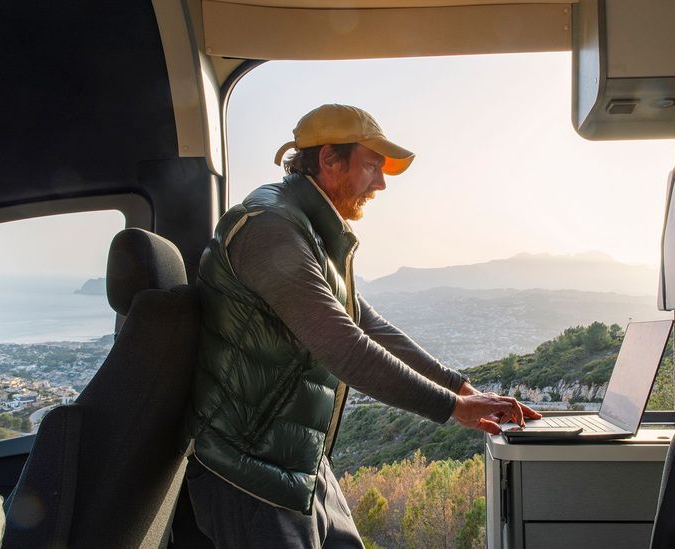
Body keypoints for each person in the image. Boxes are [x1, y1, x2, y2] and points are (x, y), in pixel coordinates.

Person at [182, 104, 541, 548]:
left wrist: (460, 387)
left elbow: (368, 324)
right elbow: (343, 346)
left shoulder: (311, 230)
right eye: (371, 165)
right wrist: (452, 408)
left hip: (298, 461)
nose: (381, 182)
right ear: (330, 159)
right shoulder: (269, 227)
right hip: (247, 470)